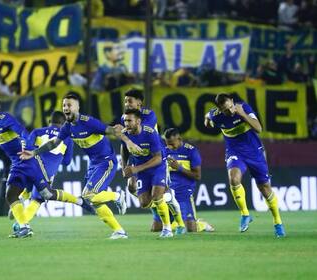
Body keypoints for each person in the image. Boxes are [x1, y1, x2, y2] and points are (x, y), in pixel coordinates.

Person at [20, 93, 129, 239]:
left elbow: (111, 130)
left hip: (106, 161)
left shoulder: (88, 121)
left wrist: (129, 140)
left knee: (89, 195)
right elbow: (54, 143)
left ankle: (117, 195)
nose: (66, 108)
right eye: (64, 105)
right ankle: (119, 231)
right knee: (93, 201)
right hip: (93, 164)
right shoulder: (67, 127)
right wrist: (34, 152)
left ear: (77, 107)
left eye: (69, 105)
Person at [0, 97, 89, 238]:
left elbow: (23, 131)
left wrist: (26, 145)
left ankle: (24, 222)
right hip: (26, 163)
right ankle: (78, 201)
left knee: (11, 194)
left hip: (23, 161)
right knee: (45, 194)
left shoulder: (6, 118)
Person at [204, 93, 286, 237]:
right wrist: (207, 119)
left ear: (232, 101)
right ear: (219, 109)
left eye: (230, 107)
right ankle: (245, 214)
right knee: (234, 178)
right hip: (235, 152)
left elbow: (258, 128)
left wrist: (242, 114)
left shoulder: (244, 108)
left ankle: (277, 222)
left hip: (255, 153)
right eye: (225, 110)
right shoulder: (216, 115)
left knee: (265, 188)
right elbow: (208, 119)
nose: (229, 111)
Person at [12, 111, 94, 224]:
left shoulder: (37, 132)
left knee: (31, 185)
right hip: (47, 172)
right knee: (38, 199)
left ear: (49, 121)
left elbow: (28, 147)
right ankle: (21, 224)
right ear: (64, 124)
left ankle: (22, 198)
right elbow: (67, 162)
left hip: (29, 167)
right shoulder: (67, 139)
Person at [120, 88, 185, 232]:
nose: (127, 104)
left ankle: (171, 222)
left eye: (130, 101)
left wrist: (124, 135)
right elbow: (124, 146)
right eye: (125, 101)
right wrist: (125, 167)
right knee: (136, 192)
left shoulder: (148, 116)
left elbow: (139, 133)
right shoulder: (126, 119)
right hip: (139, 161)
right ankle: (163, 201)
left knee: (157, 196)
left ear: (139, 103)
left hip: (156, 158)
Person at [120, 109, 173, 238]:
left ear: (138, 121)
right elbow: (124, 150)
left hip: (157, 167)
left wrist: (136, 170)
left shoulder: (150, 133)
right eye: (125, 120)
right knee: (144, 203)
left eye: (129, 121)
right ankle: (166, 199)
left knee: (156, 196)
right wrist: (125, 166)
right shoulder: (125, 134)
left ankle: (167, 229)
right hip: (141, 169)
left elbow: (158, 158)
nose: (126, 123)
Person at [164, 128, 215, 233]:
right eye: (168, 144)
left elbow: (197, 176)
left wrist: (179, 168)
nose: (170, 147)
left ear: (180, 139)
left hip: (184, 192)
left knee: (191, 228)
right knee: (156, 228)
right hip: (167, 193)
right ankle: (175, 223)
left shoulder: (191, 151)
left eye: (172, 144)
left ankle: (202, 224)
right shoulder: (165, 151)